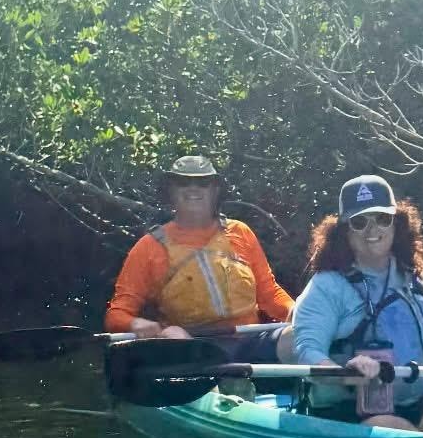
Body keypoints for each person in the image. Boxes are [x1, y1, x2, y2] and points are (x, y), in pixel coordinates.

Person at [289, 174, 423, 438]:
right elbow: (307, 352)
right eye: (359, 222)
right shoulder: (326, 286)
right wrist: (346, 373)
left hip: (418, 399)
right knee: (397, 430)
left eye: (382, 218)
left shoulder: (415, 278)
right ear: (344, 231)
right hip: (352, 409)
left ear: (396, 223)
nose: (372, 230)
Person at [104, 155, 294, 363]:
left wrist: (295, 311)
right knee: (172, 334)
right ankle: (216, 389)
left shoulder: (240, 232)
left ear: (215, 191)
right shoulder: (148, 247)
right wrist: (134, 324)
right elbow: (116, 315)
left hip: (252, 338)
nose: (193, 189)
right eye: (183, 182)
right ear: (171, 192)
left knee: (299, 336)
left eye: (203, 183)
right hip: (195, 347)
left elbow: (269, 294)